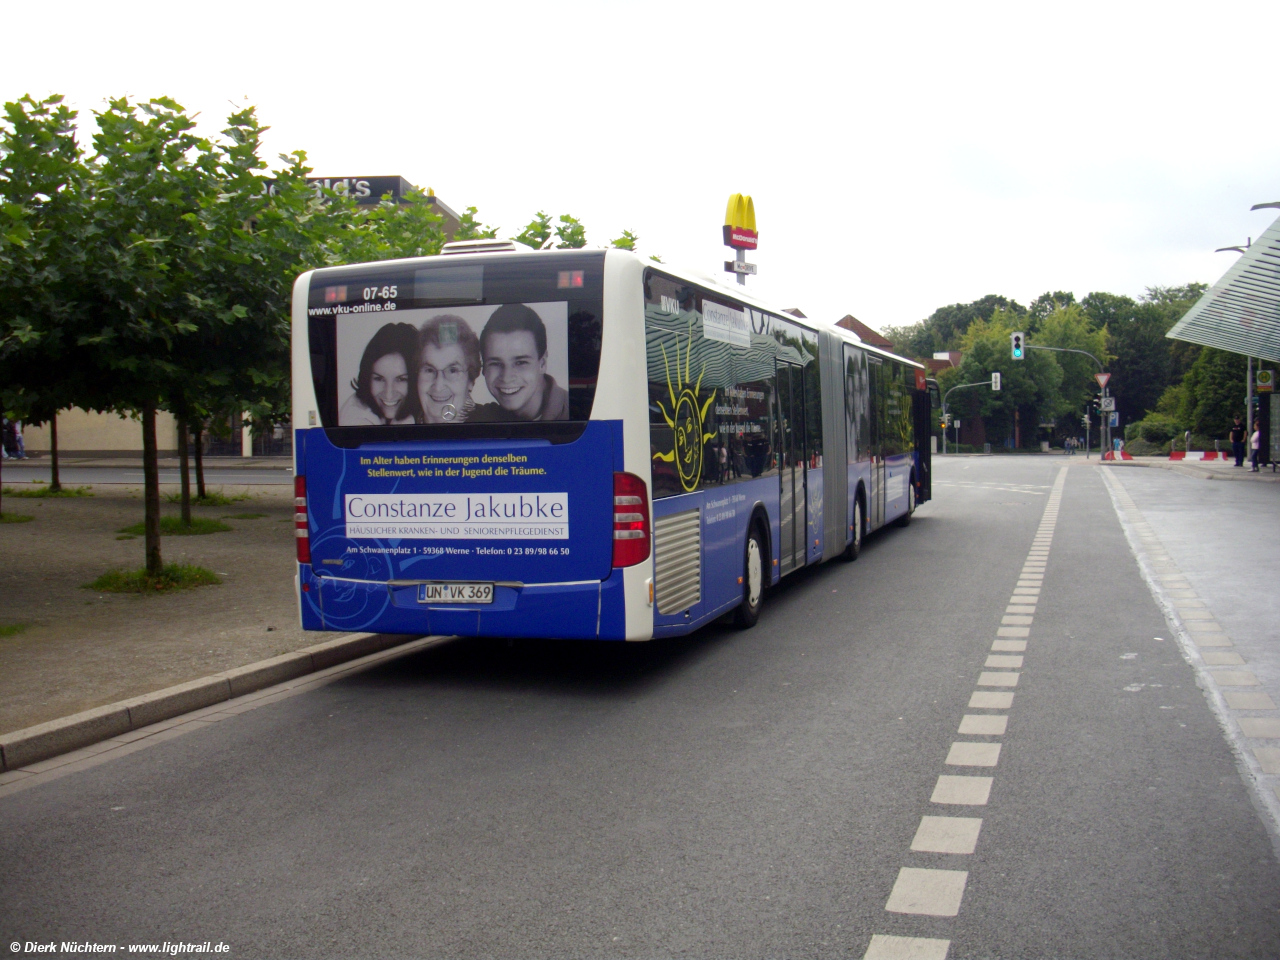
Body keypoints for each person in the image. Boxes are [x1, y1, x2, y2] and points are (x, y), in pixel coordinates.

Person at [471, 303, 569, 422]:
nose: (506, 378)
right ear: (483, 368)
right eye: (495, 363)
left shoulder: (576, 412)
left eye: (520, 363)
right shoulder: (480, 418)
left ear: (542, 363)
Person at [339, 322, 420, 426]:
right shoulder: (358, 419)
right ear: (367, 378)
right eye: (379, 379)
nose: (388, 394)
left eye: (401, 379)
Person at [418, 315, 481, 423]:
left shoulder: (490, 423)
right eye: (429, 370)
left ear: (470, 381)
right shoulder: (399, 426)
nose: (438, 386)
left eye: (452, 371)